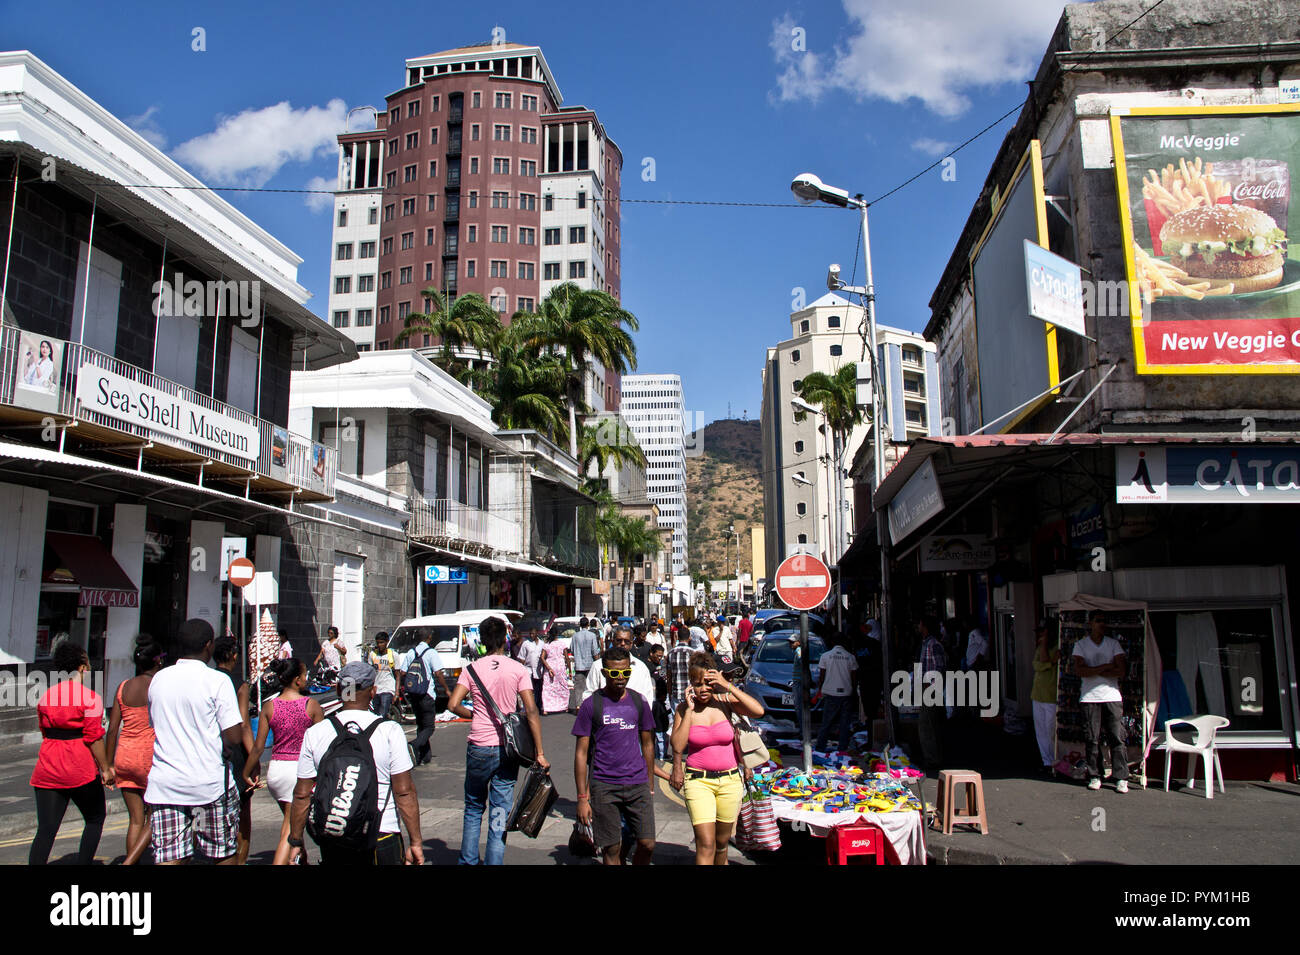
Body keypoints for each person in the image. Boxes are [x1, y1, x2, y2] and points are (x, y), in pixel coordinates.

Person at [289, 661, 423, 865]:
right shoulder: (389, 730)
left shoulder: (316, 733)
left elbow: (301, 794)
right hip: (380, 832)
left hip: (335, 833)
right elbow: (404, 791)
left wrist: (296, 841)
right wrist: (415, 842)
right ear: (373, 692)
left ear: (337, 690)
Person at [446, 616, 549, 865]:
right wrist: (540, 751)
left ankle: (468, 860)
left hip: (479, 744)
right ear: (505, 638)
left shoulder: (472, 669)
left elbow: (452, 704)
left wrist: (475, 715)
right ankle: (494, 861)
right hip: (507, 747)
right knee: (500, 809)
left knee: (473, 807)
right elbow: (531, 710)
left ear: (481, 640)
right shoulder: (517, 669)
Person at [145, 619, 245, 865]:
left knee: (169, 855)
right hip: (209, 784)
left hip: (166, 785)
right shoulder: (217, 681)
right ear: (209, 646)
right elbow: (233, 736)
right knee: (222, 853)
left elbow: (154, 722)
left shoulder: (158, 679)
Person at [669, 652, 766, 866]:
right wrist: (690, 712)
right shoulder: (684, 709)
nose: (703, 689)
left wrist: (727, 686)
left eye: (707, 683)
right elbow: (677, 745)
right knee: (706, 843)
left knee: (722, 844)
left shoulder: (725, 702)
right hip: (698, 782)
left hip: (729, 782)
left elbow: (758, 711)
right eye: (697, 684)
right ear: (690, 685)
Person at [29, 642, 113, 865]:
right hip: (79, 767)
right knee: (95, 818)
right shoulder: (91, 698)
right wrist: (105, 769)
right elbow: (94, 737)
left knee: (46, 830)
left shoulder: (46, 696)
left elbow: (44, 731)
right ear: (83, 667)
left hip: (48, 766)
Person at [572, 645, 657, 865]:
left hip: (637, 784)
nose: (621, 678)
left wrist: (649, 784)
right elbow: (581, 753)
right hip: (604, 785)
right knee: (612, 848)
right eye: (614, 673)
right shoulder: (592, 705)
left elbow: (648, 745)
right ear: (603, 673)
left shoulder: (639, 702)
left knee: (647, 844)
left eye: (625, 672)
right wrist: (582, 798)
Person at [245, 657, 324, 864]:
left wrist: (247, 771)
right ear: (297, 680)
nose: (307, 679)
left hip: (276, 771)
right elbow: (322, 745)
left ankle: (302, 860)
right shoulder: (312, 705)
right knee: (289, 830)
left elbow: (258, 747)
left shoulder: (269, 707)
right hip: (298, 773)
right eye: (305, 675)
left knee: (295, 823)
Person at [105, 636, 163, 865]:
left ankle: (132, 861)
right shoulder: (158, 686)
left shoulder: (123, 687)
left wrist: (108, 765)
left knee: (135, 820)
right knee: (155, 815)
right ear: (157, 661)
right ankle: (134, 861)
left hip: (125, 757)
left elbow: (111, 730)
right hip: (150, 757)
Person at [1072, 609, 1129, 793]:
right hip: (1089, 697)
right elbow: (1079, 670)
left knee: (1116, 737)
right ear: (1091, 623)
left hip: (1111, 695)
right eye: (1098, 621)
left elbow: (1120, 671)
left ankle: (1121, 776)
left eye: (1104, 621)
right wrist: (1105, 666)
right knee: (1092, 738)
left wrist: (1092, 670)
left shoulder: (1113, 644)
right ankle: (1095, 774)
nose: (1101, 624)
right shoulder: (1081, 645)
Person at [213, 635, 257, 864]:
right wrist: (254, 757)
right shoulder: (240, 684)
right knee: (242, 812)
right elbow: (244, 725)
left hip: (210, 749)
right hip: (234, 751)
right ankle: (240, 859)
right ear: (234, 656)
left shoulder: (206, 679)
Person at [397, 631, 452, 766]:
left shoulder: (411, 653)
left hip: (414, 694)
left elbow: (403, 672)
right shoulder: (431, 653)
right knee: (429, 727)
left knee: (421, 726)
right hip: (427, 694)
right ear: (429, 638)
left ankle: (425, 757)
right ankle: (413, 745)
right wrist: (446, 689)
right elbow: (438, 673)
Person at [583, 627, 655, 703]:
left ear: (631, 644)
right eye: (619, 640)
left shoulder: (641, 668)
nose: (622, 644)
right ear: (612, 642)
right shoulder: (598, 666)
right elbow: (589, 694)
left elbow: (647, 698)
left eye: (626, 641)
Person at [816, 636, 859, 753]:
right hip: (846, 692)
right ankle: (842, 748)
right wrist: (853, 691)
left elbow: (822, 676)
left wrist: (820, 690)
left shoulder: (825, 656)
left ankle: (820, 746)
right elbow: (854, 677)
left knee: (827, 722)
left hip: (830, 692)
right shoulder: (850, 657)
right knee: (845, 723)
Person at [916, 617, 947, 772]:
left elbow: (939, 668)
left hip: (931, 688)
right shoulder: (927, 643)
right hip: (928, 687)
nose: (918, 626)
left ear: (925, 626)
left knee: (927, 725)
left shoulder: (933, 644)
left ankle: (933, 759)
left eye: (920, 623)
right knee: (928, 724)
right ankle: (932, 757)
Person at [1031, 621, 1060, 776]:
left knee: (1050, 730)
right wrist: (1050, 663)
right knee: (1040, 731)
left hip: (1050, 696)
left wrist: (1047, 661)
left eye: (1043, 632)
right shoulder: (1040, 648)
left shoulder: (1057, 646)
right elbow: (1037, 665)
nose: (1040, 635)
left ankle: (1054, 760)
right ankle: (1046, 761)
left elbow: (1042, 661)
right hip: (1037, 694)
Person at [569, 617, 602, 714]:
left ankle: (579, 706)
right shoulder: (591, 635)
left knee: (578, 687)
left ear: (580, 625)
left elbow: (572, 650)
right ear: (588, 625)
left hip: (579, 665)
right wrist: (597, 663)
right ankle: (590, 706)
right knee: (591, 686)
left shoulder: (575, 636)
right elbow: (595, 651)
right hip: (590, 664)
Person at [539, 629, 571, 715]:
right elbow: (567, 658)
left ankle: (547, 708)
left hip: (550, 666)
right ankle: (564, 706)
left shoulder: (546, 645)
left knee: (548, 688)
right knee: (562, 686)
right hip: (560, 667)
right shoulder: (562, 644)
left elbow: (542, 657)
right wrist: (569, 669)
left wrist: (549, 668)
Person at [368, 632, 399, 718]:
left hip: (388, 688)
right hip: (376, 688)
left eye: (381, 642)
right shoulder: (373, 655)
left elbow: (397, 675)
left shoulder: (393, 655)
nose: (379, 645)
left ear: (387, 642)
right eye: (378, 643)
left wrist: (396, 692)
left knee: (383, 713)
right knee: (376, 714)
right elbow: (370, 673)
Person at [665, 626, 694, 715]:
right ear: (689, 638)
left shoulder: (670, 654)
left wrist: (669, 694)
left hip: (676, 694)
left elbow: (669, 677)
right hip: (691, 694)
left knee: (677, 722)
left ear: (677, 637)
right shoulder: (693, 653)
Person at [516, 627, 546, 703]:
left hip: (539, 670)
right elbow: (521, 657)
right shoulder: (526, 643)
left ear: (537, 634)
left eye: (533, 633)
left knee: (538, 689)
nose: (531, 635)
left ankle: (538, 706)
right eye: (530, 634)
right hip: (528, 670)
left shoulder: (542, 644)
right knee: (529, 690)